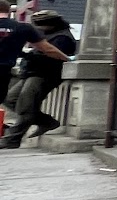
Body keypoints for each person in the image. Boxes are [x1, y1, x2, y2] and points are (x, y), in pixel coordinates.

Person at [1, 12, 76, 147]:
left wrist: (26, 55)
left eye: (41, 26)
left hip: (44, 75)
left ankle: (12, 139)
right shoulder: (49, 34)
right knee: (10, 99)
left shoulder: (62, 38)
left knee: (26, 107)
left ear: (51, 24)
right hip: (32, 73)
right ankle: (46, 122)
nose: (38, 29)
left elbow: (52, 58)